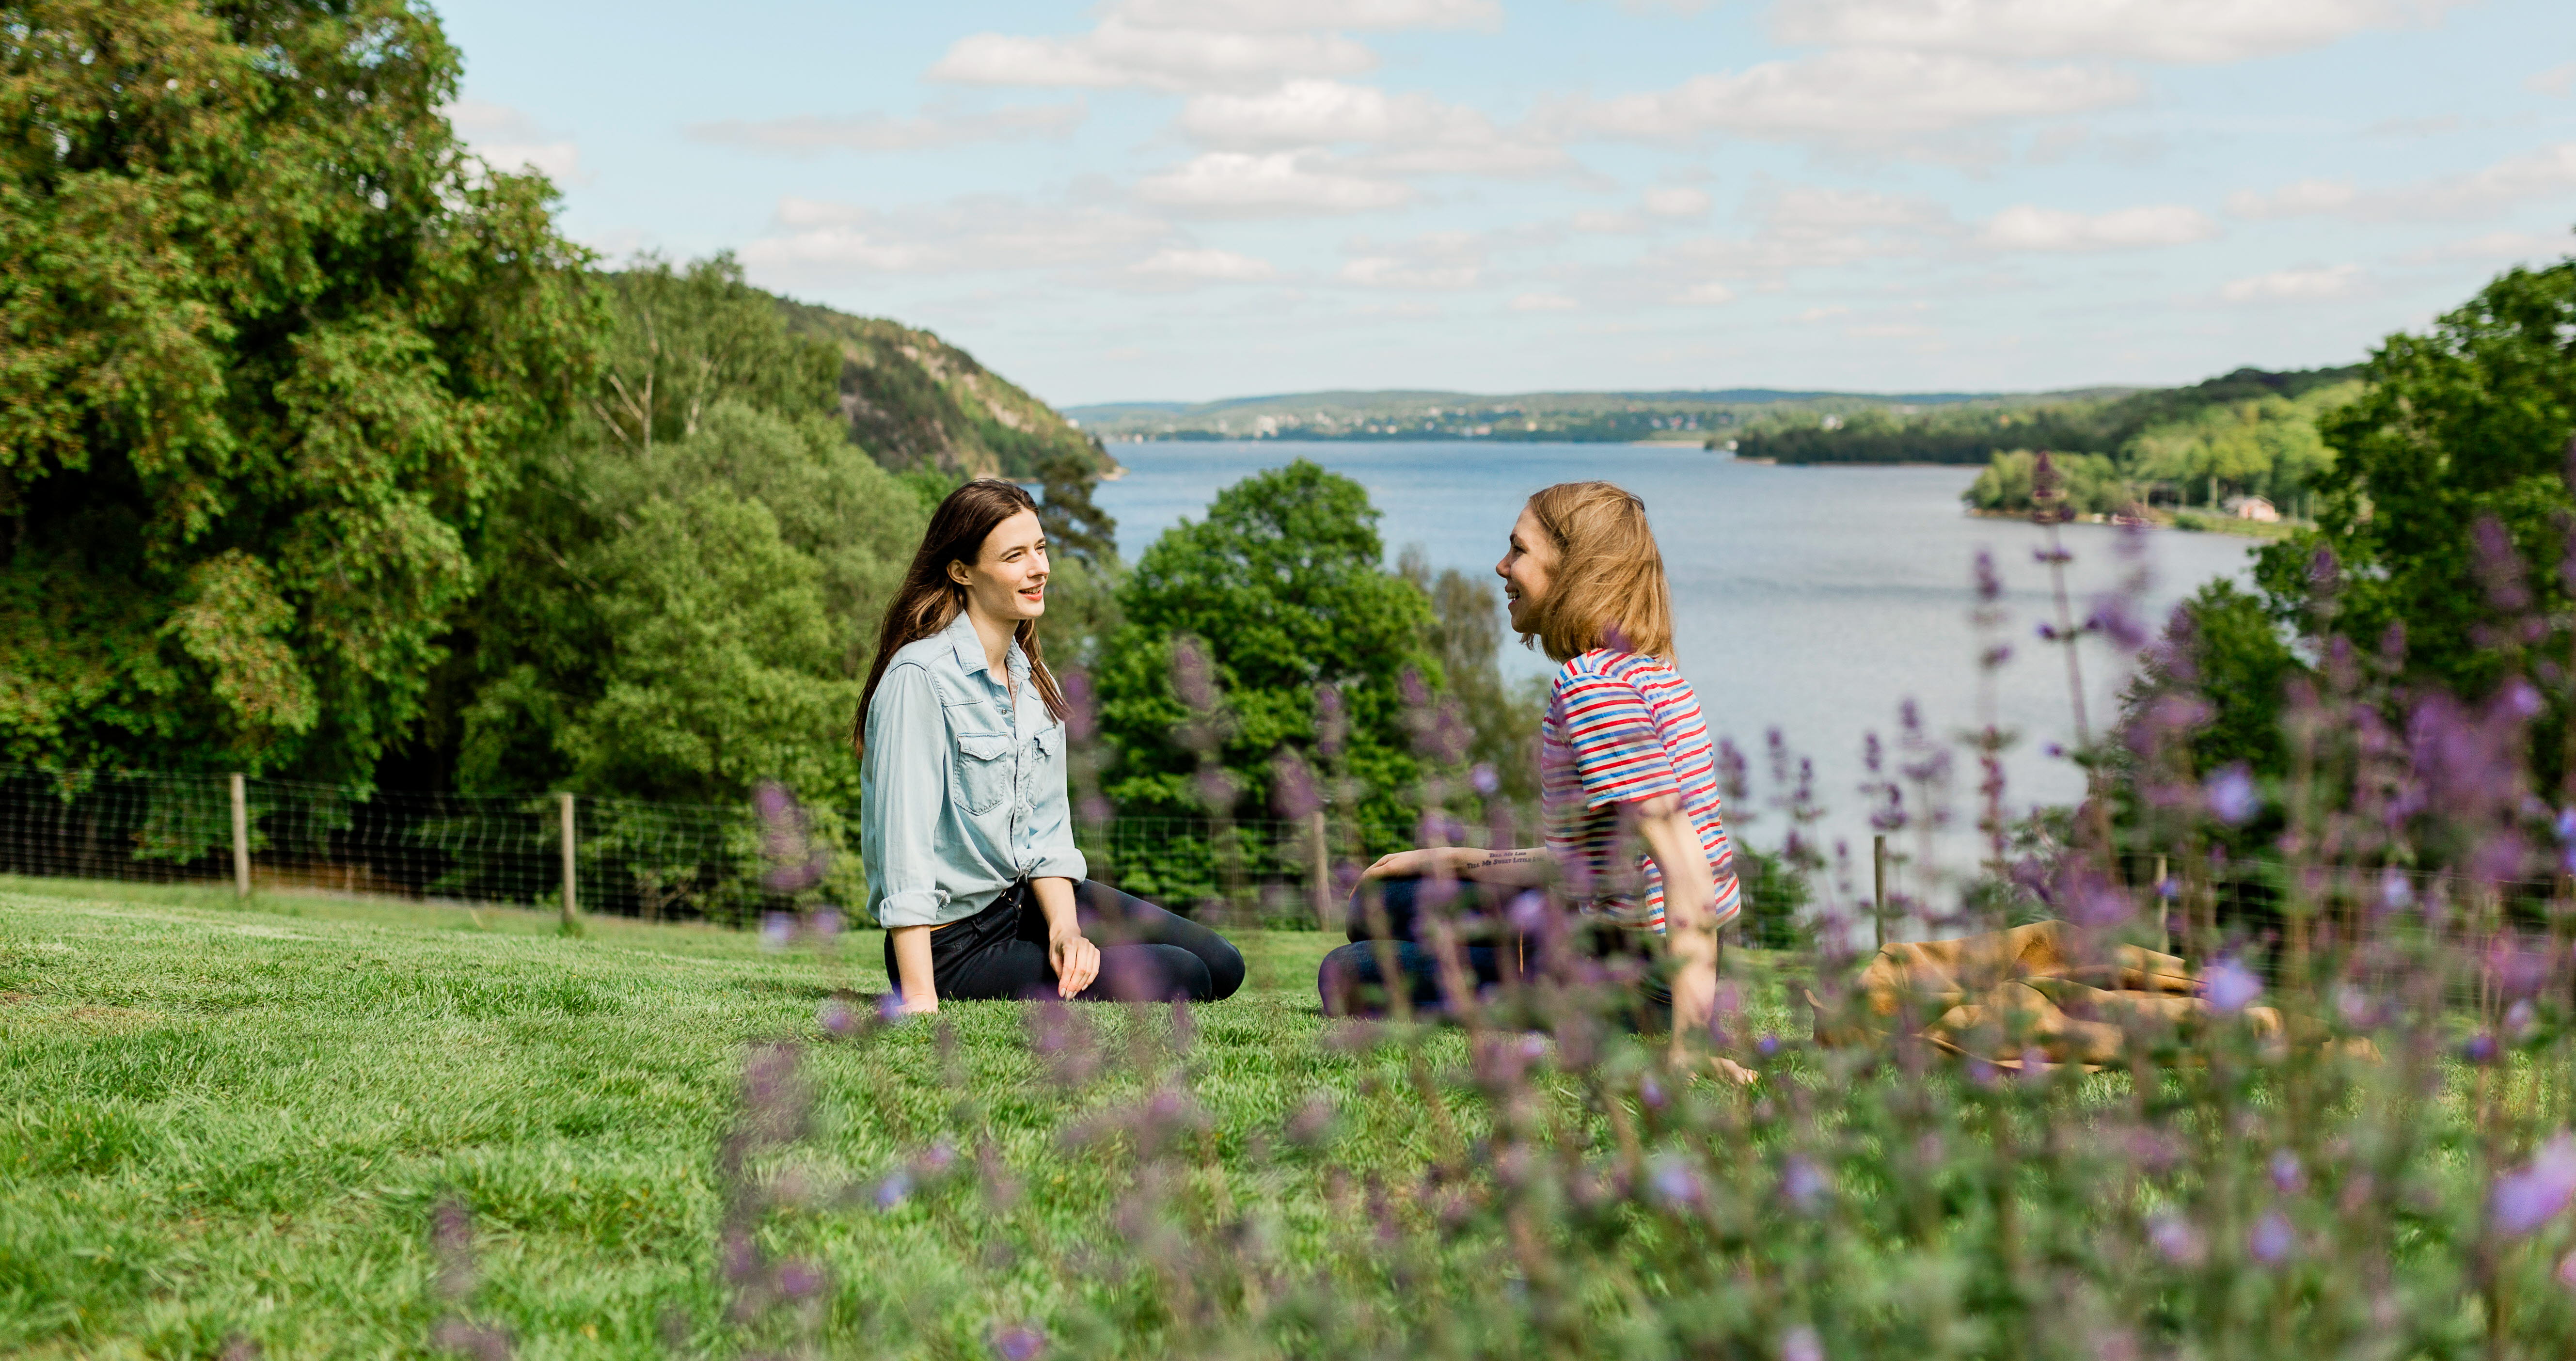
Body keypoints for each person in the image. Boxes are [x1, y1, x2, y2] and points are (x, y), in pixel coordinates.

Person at [1317, 481, 1750, 1078]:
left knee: (1349, 972)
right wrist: (1454, 859)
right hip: (1629, 955)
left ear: (1573, 568)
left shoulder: (1593, 688)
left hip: (1627, 980)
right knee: (1382, 896)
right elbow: (1609, 858)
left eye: (1517, 550)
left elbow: (1685, 871)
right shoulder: (1648, 672)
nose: (1501, 566)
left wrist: (1690, 1047)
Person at [856, 479, 1244, 1013]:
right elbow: (902, 847)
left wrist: (1065, 931)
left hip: (1025, 904)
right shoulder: (919, 678)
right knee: (1184, 974)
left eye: (1040, 548)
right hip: (952, 947)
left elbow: (1046, 834)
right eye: (1014, 556)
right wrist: (920, 993)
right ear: (960, 571)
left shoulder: (1038, 685)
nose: (1038, 568)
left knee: (1223, 964)